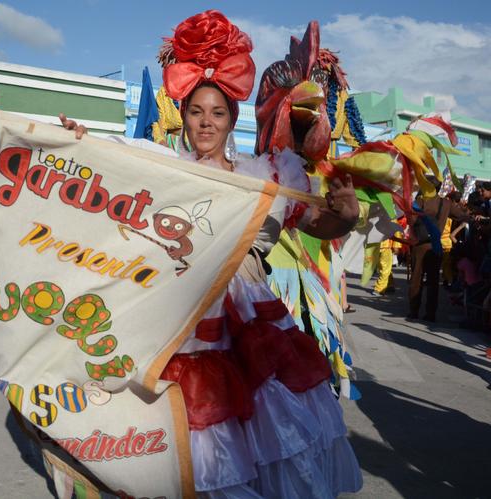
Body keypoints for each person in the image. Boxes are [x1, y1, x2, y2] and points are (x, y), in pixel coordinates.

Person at [61, 10, 362, 498]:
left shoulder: (270, 175)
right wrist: (74, 139)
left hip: (251, 324)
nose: (206, 122)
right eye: (197, 111)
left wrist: (345, 217)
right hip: (178, 316)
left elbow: (317, 223)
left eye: (217, 113)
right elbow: (104, 165)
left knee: (265, 440)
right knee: (186, 441)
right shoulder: (163, 169)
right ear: (184, 115)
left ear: (231, 120)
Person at [409, 192, 472, 322]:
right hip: (436, 245)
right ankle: (430, 313)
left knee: (416, 279)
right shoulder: (446, 203)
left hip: (419, 244)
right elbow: (462, 216)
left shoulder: (420, 201)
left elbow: (411, 219)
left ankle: (413, 311)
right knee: (433, 281)